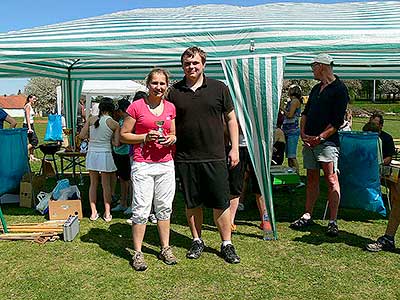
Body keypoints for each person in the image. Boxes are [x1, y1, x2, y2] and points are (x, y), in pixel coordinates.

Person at [168, 46, 240, 264]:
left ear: (203, 64)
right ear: (182, 66)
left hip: (215, 155)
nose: (191, 67)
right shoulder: (174, 91)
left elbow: (231, 119)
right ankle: (197, 240)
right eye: (187, 63)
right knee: (192, 203)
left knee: (221, 202)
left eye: (195, 63)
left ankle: (226, 243)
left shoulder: (219, 88)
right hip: (186, 157)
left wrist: (234, 148)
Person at [120, 68, 177, 271]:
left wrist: (171, 139)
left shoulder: (170, 107)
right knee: (142, 208)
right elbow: (123, 135)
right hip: (142, 163)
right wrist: (144, 137)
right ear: (148, 84)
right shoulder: (136, 107)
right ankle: (137, 253)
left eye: (162, 83)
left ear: (167, 85)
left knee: (164, 207)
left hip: (165, 163)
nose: (159, 87)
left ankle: (165, 248)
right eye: (155, 83)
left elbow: (173, 133)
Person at [289, 53, 349, 237]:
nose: (312, 70)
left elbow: (338, 121)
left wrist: (321, 138)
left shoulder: (340, 89)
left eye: (313, 66)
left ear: (321, 66)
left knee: (331, 180)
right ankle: (307, 215)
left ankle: (333, 221)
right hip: (310, 143)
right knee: (311, 179)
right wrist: (303, 133)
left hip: (328, 144)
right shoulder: (316, 89)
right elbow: (305, 113)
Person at [79, 97, 120, 222]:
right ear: (112, 109)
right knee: (106, 185)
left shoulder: (91, 119)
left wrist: (90, 139)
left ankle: (93, 212)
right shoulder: (114, 123)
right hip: (105, 154)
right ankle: (107, 213)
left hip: (92, 153)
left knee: (93, 184)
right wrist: (110, 140)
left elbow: (81, 135)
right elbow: (117, 143)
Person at [365, 113, 398, 252]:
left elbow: (389, 157)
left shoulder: (386, 138)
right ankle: (389, 238)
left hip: (383, 168)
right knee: (397, 198)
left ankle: (388, 238)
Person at [111, 99, 132, 215]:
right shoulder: (123, 121)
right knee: (124, 180)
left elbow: (119, 142)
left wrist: (111, 141)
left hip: (122, 154)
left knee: (125, 181)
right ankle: (123, 202)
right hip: (122, 154)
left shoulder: (124, 122)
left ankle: (125, 203)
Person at [281, 84, 302, 171]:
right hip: (287, 130)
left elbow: (290, 115)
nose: (287, 91)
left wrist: (281, 108)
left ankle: (297, 175)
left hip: (292, 131)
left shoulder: (295, 101)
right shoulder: (291, 101)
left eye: (289, 89)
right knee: (289, 157)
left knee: (292, 156)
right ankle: (292, 175)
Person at [23, 95, 40, 162]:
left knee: (31, 140)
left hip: (30, 125)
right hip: (27, 125)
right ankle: (23, 151)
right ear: (30, 99)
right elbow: (27, 117)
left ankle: (31, 157)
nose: (35, 100)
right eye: (34, 99)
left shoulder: (30, 106)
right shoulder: (28, 106)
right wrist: (29, 128)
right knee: (35, 141)